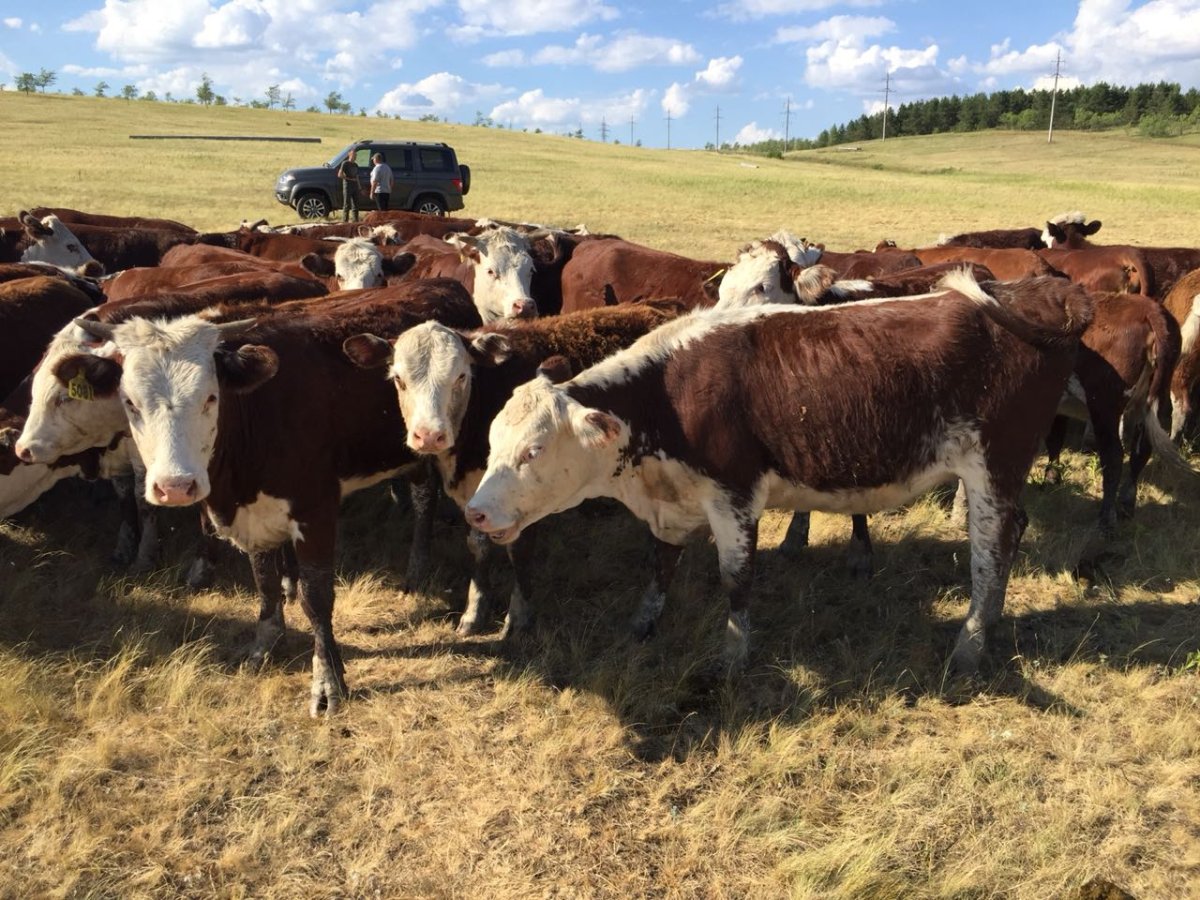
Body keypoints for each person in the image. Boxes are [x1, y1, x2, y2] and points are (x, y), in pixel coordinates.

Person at [336, 151, 361, 222]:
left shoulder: (356, 165)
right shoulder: (345, 163)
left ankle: (355, 220)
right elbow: (339, 175)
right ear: (350, 155)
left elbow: (357, 176)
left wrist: (359, 186)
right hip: (347, 185)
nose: (355, 157)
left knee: (355, 204)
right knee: (347, 204)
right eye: (354, 155)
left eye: (356, 155)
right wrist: (349, 179)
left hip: (355, 186)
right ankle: (345, 220)